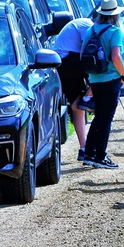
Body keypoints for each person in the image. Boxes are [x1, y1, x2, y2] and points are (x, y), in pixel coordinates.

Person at [82, 0, 124, 169]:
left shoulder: (91, 30)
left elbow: (83, 52)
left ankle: (89, 152)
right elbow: (115, 56)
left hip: (95, 78)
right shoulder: (114, 31)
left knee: (99, 116)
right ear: (115, 15)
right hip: (110, 78)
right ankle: (100, 155)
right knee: (106, 118)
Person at [52, 13, 94, 161]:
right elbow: (86, 50)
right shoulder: (88, 25)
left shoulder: (82, 24)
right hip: (68, 60)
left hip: (63, 64)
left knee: (76, 106)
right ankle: (89, 97)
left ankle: (84, 148)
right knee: (101, 72)